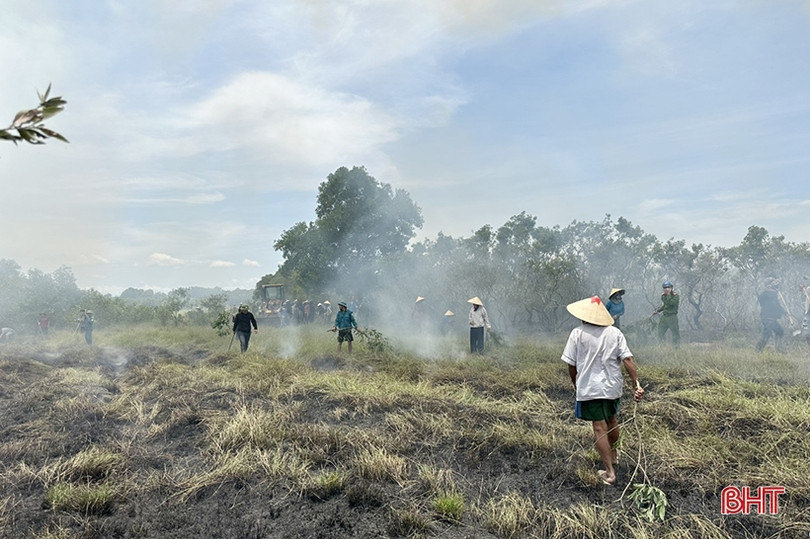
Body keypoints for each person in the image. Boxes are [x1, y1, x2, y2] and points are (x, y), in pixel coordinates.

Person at [561, 296, 644, 485]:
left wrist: (575, 383)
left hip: (590, 388)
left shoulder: (577, 334)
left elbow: (571, 365)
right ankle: (613, 456)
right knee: (612, 420)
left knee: (599, 427)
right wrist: (636, 384)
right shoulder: (615, 333)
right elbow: (628, 360)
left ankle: (609, 472)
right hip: (612, 387)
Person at [756, 278, 787, 352]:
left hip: (767, 317)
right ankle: (758, 351)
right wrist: (783, 312)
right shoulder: (770, 294)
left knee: (780, 332)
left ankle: (779, 350)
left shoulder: (766, 294)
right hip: (769, 318)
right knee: (767, 335)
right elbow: (776, 305)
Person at [653, 281, 680, 346]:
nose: (667, 289)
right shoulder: (663, 296)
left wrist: (668, 295)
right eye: (665, 288)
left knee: (675, 333)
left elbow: (671, 303)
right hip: (664, 317)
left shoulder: (675, 296)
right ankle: (661, 345)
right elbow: (665, 305)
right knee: (660, 332)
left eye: (668, 287)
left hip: (672, 317)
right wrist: (658, 311)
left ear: (671, 288)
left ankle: (676, 347)